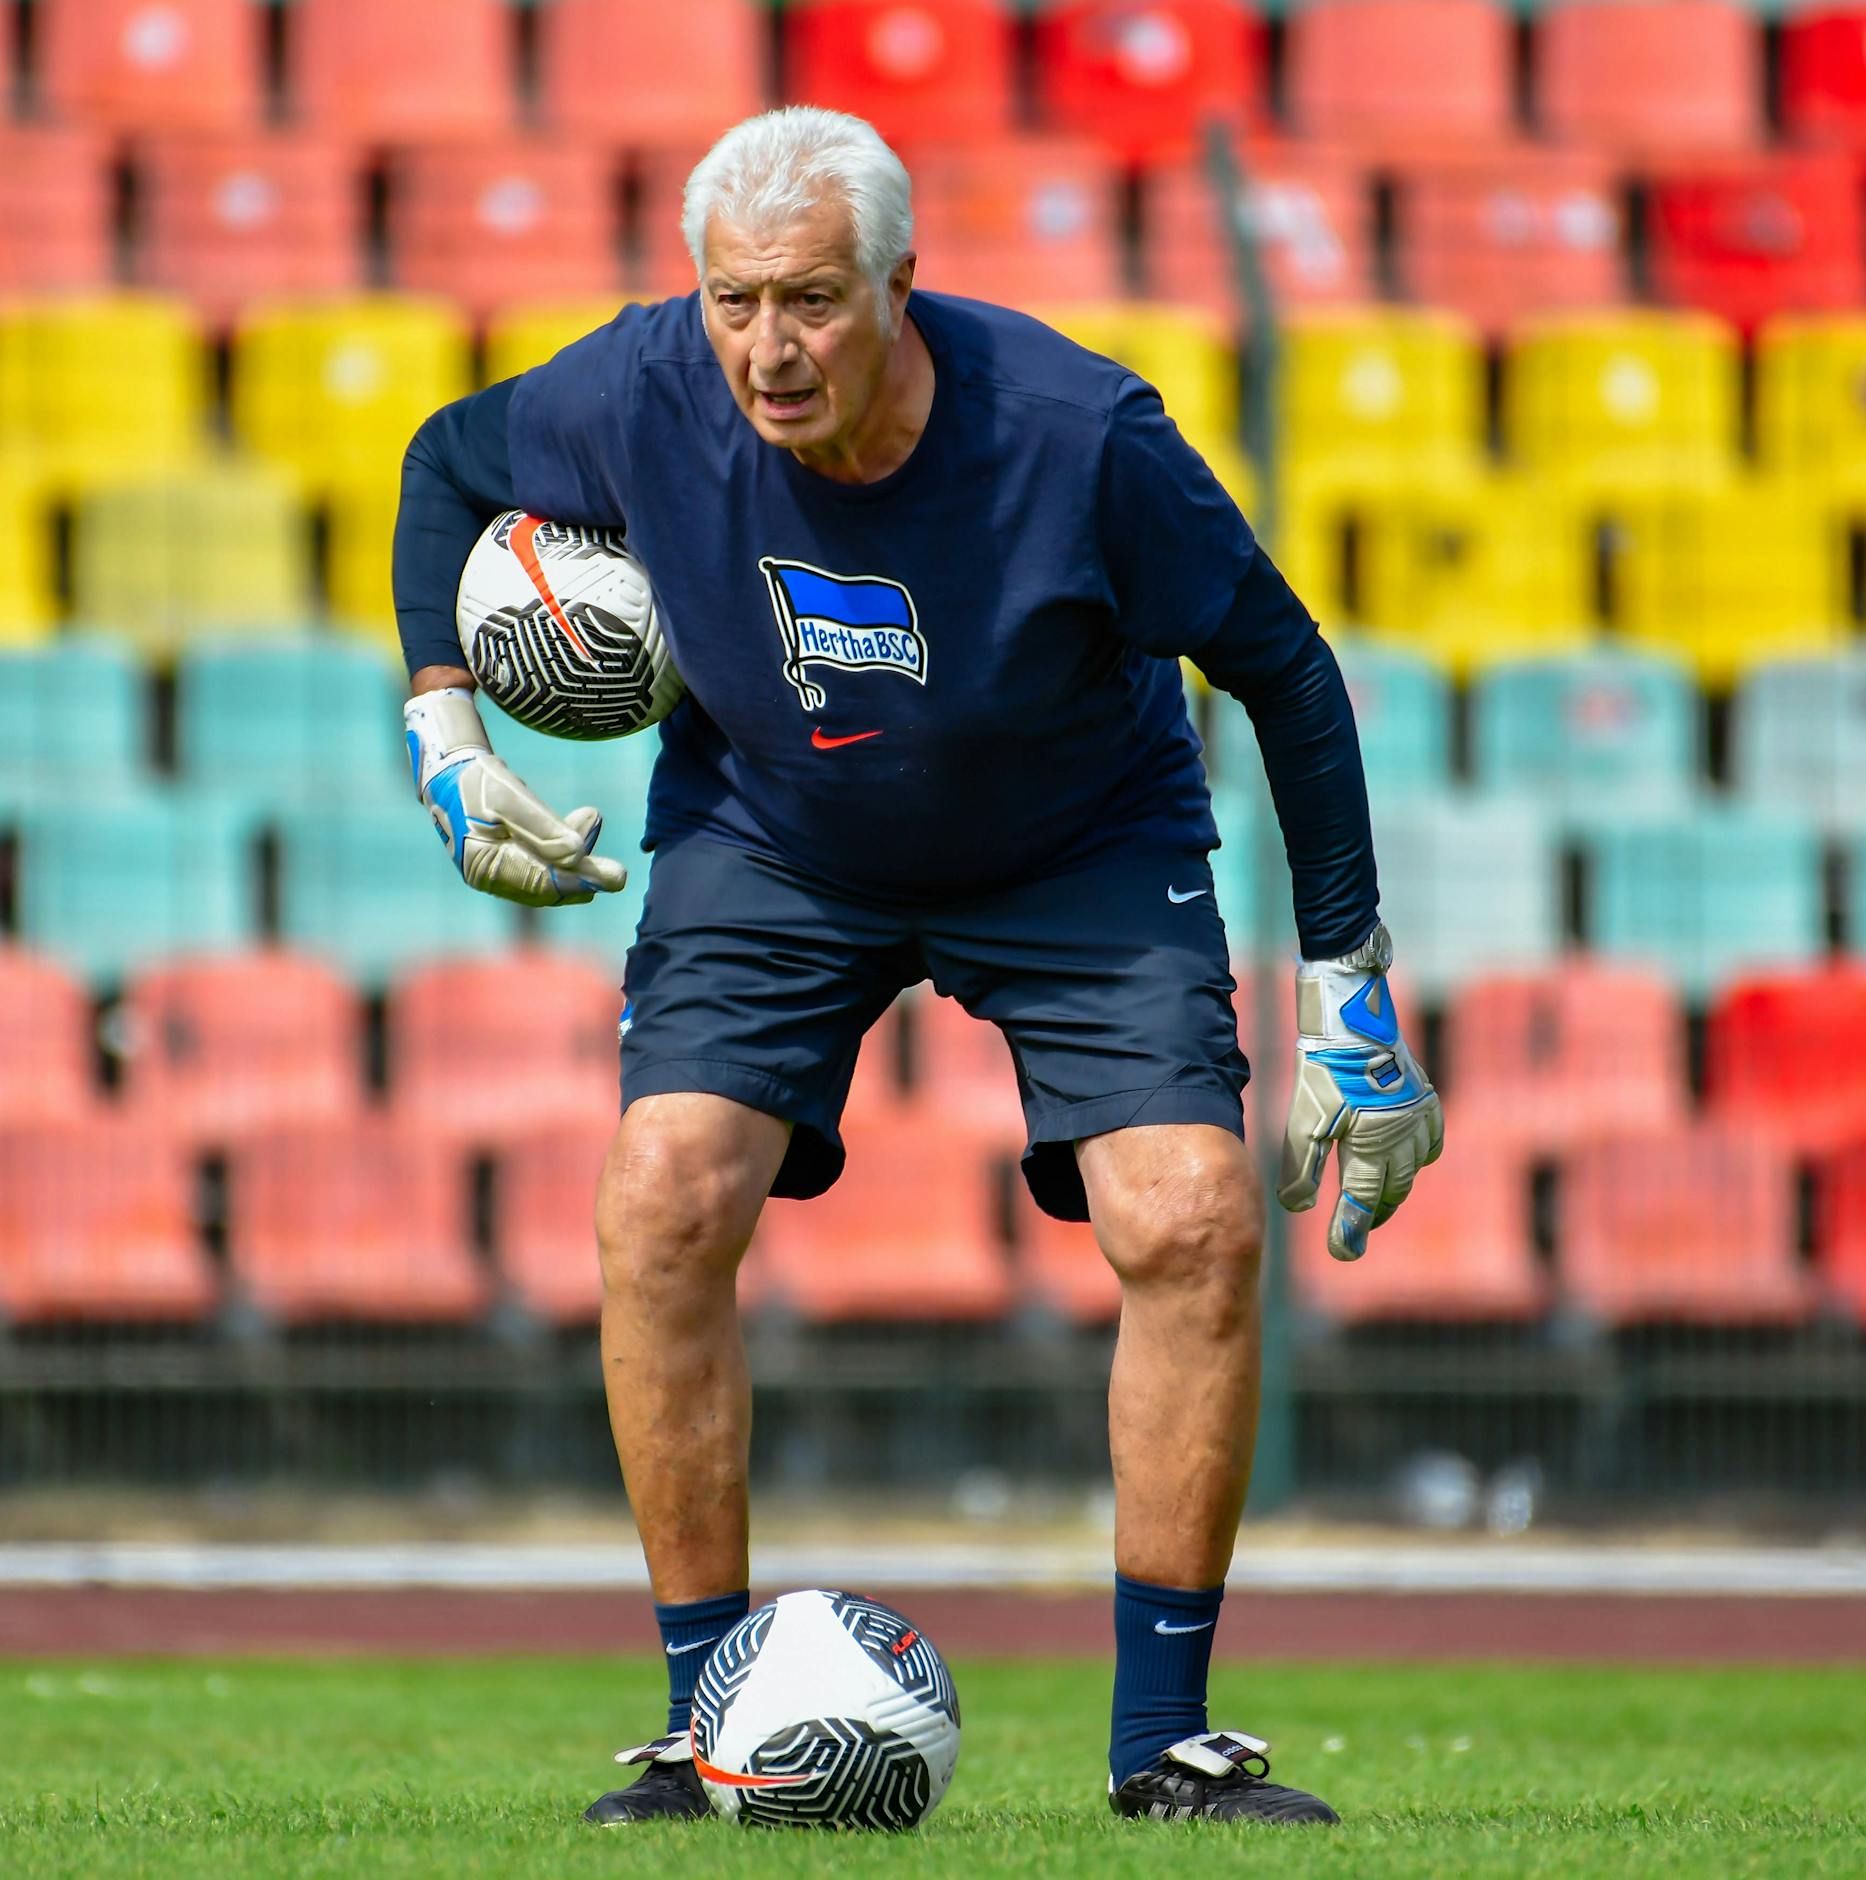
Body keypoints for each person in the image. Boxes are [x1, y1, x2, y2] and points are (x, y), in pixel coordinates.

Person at [392, 106, 1442, 1827]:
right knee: (660, 1196)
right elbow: (448, 458)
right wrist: (444, 731)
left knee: (1188, 1216)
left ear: (900, 283)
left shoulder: (1080, 434)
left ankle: (1164, 1744)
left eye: (809, 300)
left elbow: (1288, 672)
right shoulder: (645, 391)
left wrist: (1353, 991)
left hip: (1080, 844)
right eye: (734, 302)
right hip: (774, 837)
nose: (767, 348)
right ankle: (695, 1724)